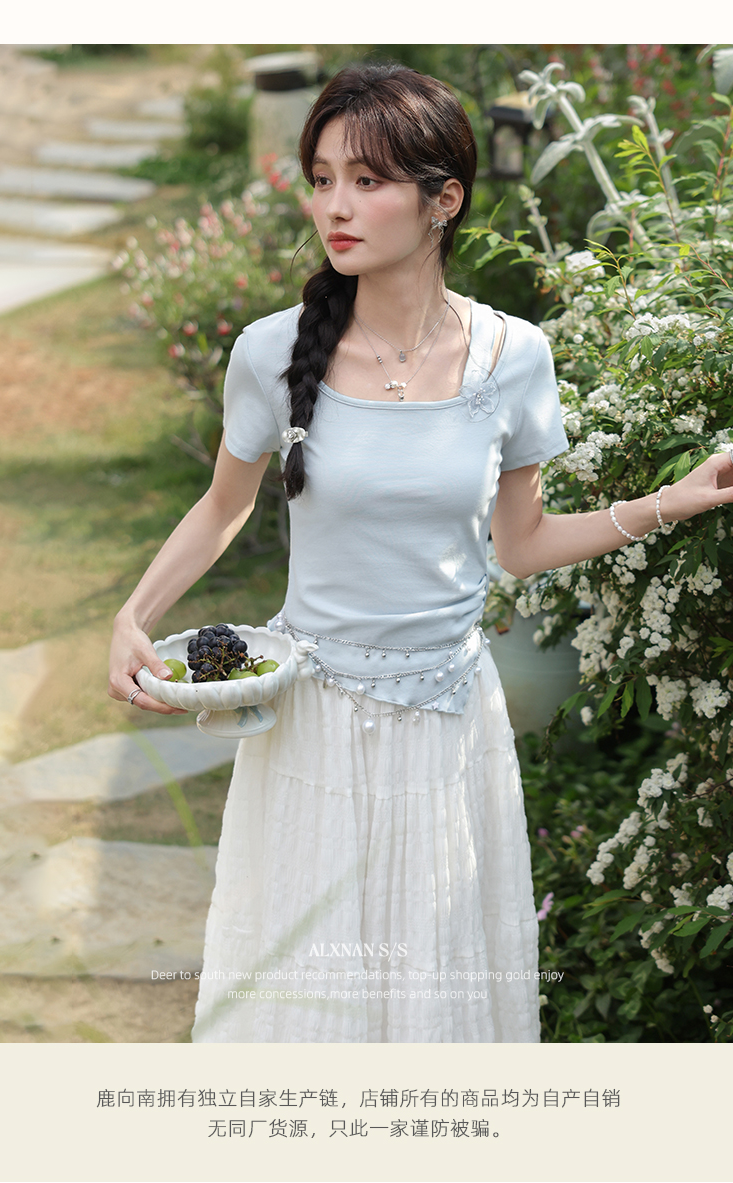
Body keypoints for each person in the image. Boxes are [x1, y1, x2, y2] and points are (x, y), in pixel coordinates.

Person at [109, 64, 733, 1043]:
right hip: (314, 724)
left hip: (449, 728)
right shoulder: (272, 351)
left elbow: (521, 544)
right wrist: (132, 616)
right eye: (322, 179)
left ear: (444, 200)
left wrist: (670, 501)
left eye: (368, 181)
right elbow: (223, 506)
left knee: (435, 1001)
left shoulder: (513, 356)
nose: (335, 206)